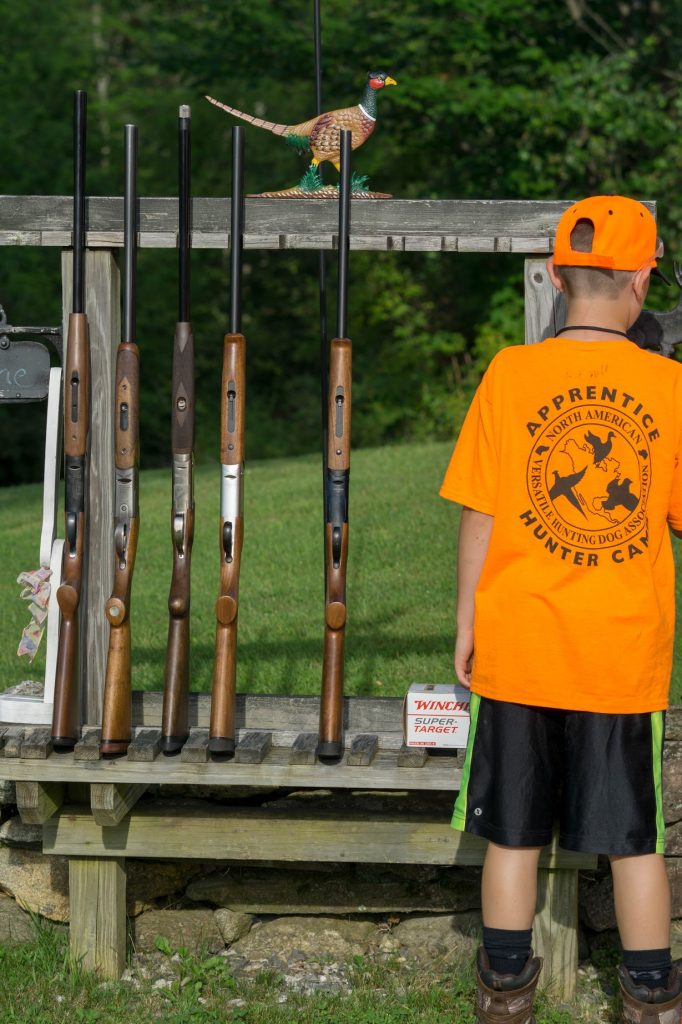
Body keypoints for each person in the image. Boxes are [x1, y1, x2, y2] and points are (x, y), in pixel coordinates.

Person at [439, 195, 682, 1024]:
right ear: (642, 279)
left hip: (519, 646)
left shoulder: (511, 373)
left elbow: (480, 513)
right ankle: (651, 997)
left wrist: (469, 621)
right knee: (634, 841)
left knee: (512, 835)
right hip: (621, 655)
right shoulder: (668, 385)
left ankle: (505, 990)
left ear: (554, 273)